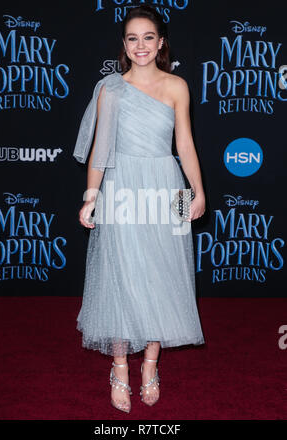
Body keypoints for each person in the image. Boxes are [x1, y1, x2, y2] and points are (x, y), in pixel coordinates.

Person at [73, 5, 206, 414]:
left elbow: (184, 145)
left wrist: (197, 192)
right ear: (124, 45)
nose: (141, 45)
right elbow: (101, 147)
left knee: (163, 274)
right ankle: (119, 368)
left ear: (161, 42)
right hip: (121, 186)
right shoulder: (110, 88)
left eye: (149, 37)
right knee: (120, 275)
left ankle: (150, 366)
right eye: (133, 38)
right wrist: (91, 196)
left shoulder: (177, 86)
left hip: (168, 188)